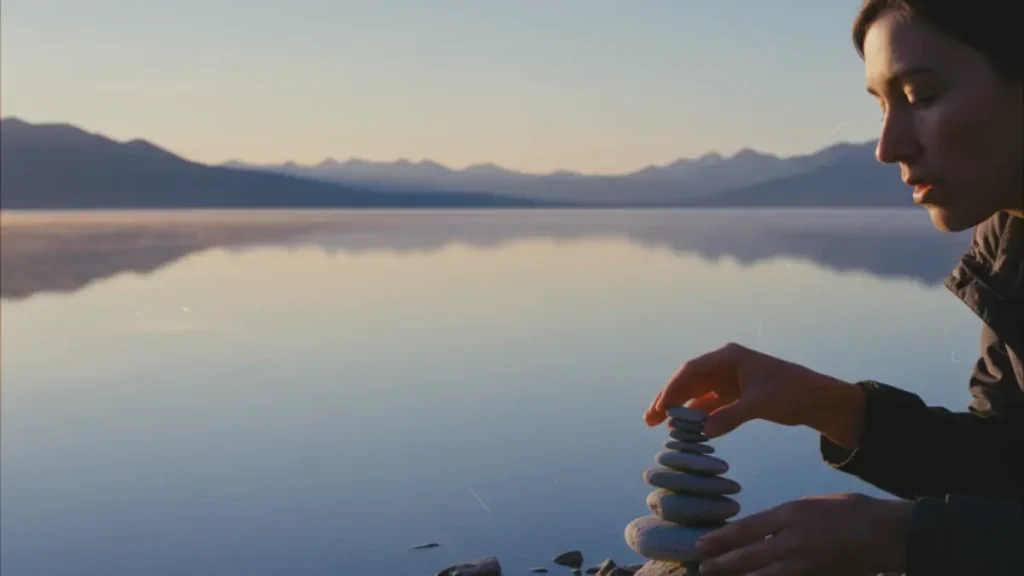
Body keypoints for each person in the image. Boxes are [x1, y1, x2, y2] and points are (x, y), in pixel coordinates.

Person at [642, 1, 1022, 574]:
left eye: (920, 97)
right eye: (881, 106)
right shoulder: (1009, 241)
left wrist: (904, 538)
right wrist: (828, 404)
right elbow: (1006, 465)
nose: (888, 147)